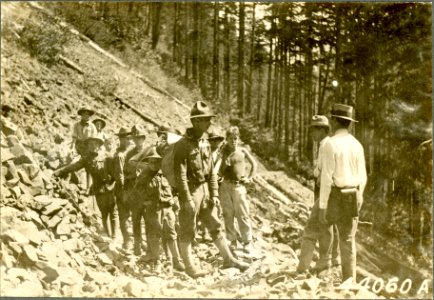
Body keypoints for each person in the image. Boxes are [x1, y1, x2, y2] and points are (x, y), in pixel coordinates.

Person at [173, 101, 249, 278]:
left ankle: (228, 259)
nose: (209, 123)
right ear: (196, 121)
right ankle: (189, 266)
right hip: (191, 191)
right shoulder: (183, 145)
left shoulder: (205, 144)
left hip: (205, 190)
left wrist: (214, 194)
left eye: (209, 119)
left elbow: (211, 173)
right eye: (206, 120)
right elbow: (180, 174)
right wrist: (186, 199)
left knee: (215, 224)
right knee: (187, 228)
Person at [319, 103, 367, 284]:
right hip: (352, 195)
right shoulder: (357, 145)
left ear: (334, 121)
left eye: (332, 119)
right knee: (347, 239)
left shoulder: (331, 144)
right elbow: (363, 176)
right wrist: (359, 195)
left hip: (336, 195)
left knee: (322, 227)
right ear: (348, 123)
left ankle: (323, 272)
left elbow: (326, 178)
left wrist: (323, 206)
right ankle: (349, 280)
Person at [292, 115, 340, 279]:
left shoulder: (327, 146)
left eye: (315, 129)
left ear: (324, 130)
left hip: (326, 191)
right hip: (324, 190)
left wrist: (324, 203)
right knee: (326, 227)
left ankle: (302, 268)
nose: (312, 132)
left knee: (311, 229)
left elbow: (326, 176)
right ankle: (326, 263)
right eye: (311, 128)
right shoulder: (323, 145)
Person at [54, 134, 116, 238]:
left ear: (99, 146)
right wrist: (59, 171)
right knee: (104, 213)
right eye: (91, 144)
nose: (93, 146)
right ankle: (107, 234)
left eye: (96, 144)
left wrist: (111, 178)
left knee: (113, 213)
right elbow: (73, 167)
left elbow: (116, 171)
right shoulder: (86, 160)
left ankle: (114, 236)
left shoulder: (107, 156)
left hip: (111, 188)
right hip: (99, 189)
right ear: (87, 146)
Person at [140, 147, 185, 272]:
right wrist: (145, 202)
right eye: (151, 162)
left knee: (171, 234)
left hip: (167, 209)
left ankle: (176, 261)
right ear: (148, 163)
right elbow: (136, 193)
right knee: (155, 236)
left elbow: (176, 190)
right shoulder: (143, 177)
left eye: (156, 161)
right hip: (153, 210)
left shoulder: (166, 176)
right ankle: (157, 262)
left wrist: (174, 200)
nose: (154, 164)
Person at [218, 126, 257, 254]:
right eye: (230, 139)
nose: (233, 141)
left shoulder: (242, 151)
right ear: (227, 139)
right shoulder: (223, 152)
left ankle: (247, 242)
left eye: (235, 138)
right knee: (227, 214)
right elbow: (218, 169)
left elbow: (254, 164)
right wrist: (224, 163)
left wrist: (250, 178)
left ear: (238, 138)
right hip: (225, 185)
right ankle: (232, 240)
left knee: (242, 213)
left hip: (239, 186)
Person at [122, 124, 150, 255]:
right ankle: (137, 246)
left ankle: (150, 247)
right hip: (134, 191)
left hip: (148, 191)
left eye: (139, 138)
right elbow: (125, 172)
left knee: (150, 220)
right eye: (135, 138)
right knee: (136, 219)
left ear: (144, 138)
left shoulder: (151, 151)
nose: (137, 141)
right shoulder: (129, 154)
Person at [111, 127, 133, 250]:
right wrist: (125, 190)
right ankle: (127, 241)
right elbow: (120, 175)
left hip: (131, 188)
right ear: (121, 140)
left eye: (129, 138)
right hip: (122, 189)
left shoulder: (130, 153)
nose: (128, 141)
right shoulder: (119, 155)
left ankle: (132, 241)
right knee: (124, 216)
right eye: (125, 138)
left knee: (131, 215)